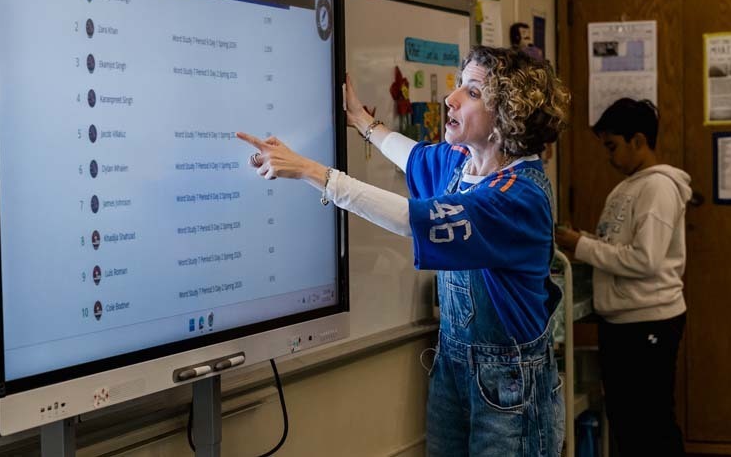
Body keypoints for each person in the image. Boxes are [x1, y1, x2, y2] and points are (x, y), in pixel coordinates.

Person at [238, 46, 570, 456]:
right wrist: (361, 119)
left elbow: (411, 219)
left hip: (510, 385)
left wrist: (313, 172)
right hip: (452, 367)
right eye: (457, 85)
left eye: (472, 91)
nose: (451, 98)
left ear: (509, 114)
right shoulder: (460, 162)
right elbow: (410, 154)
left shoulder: (516, 196)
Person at [556, 98, 690, 457]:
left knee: (651, 423)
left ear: (639, 140)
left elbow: (645, 260)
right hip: (621, 321)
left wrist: (582, 245)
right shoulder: (627, 187)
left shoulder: (658, 188)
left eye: (613, 146)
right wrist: (587, 241)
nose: (609, 156)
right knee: (627, 421)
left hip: (650, 320)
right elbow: (620, 248)